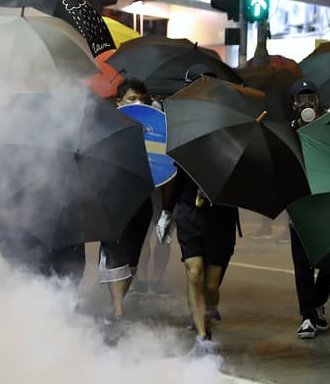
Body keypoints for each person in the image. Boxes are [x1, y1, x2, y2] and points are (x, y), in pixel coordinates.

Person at [156, 65, 238, 354]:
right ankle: (203, 336)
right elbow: (177, 172)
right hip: (190, 210)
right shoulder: (180, 123)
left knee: (212, 283)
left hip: (221, 212)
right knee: (194, 272)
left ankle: (207, 315)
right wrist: (167, 212)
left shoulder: (232, 124)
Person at [97, 78, 156, 318]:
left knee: (132, 258)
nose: (138, 104)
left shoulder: (154, 131)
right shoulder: (105, 127)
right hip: (112, 200)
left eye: (142, 99)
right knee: (114, 251)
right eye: (132, 99)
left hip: (141, 202)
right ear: (120, 101)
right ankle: (117, 308)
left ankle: (119, 301)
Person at [288, 80, 330, 339]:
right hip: (300, 208)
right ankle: (308, 316)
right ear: (294, 104)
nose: (307, 103)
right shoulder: (288, 133)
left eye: (312, 98)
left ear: (319, 101)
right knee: (302, 265)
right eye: (302, 99)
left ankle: (317, 301)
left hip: (329, 206)